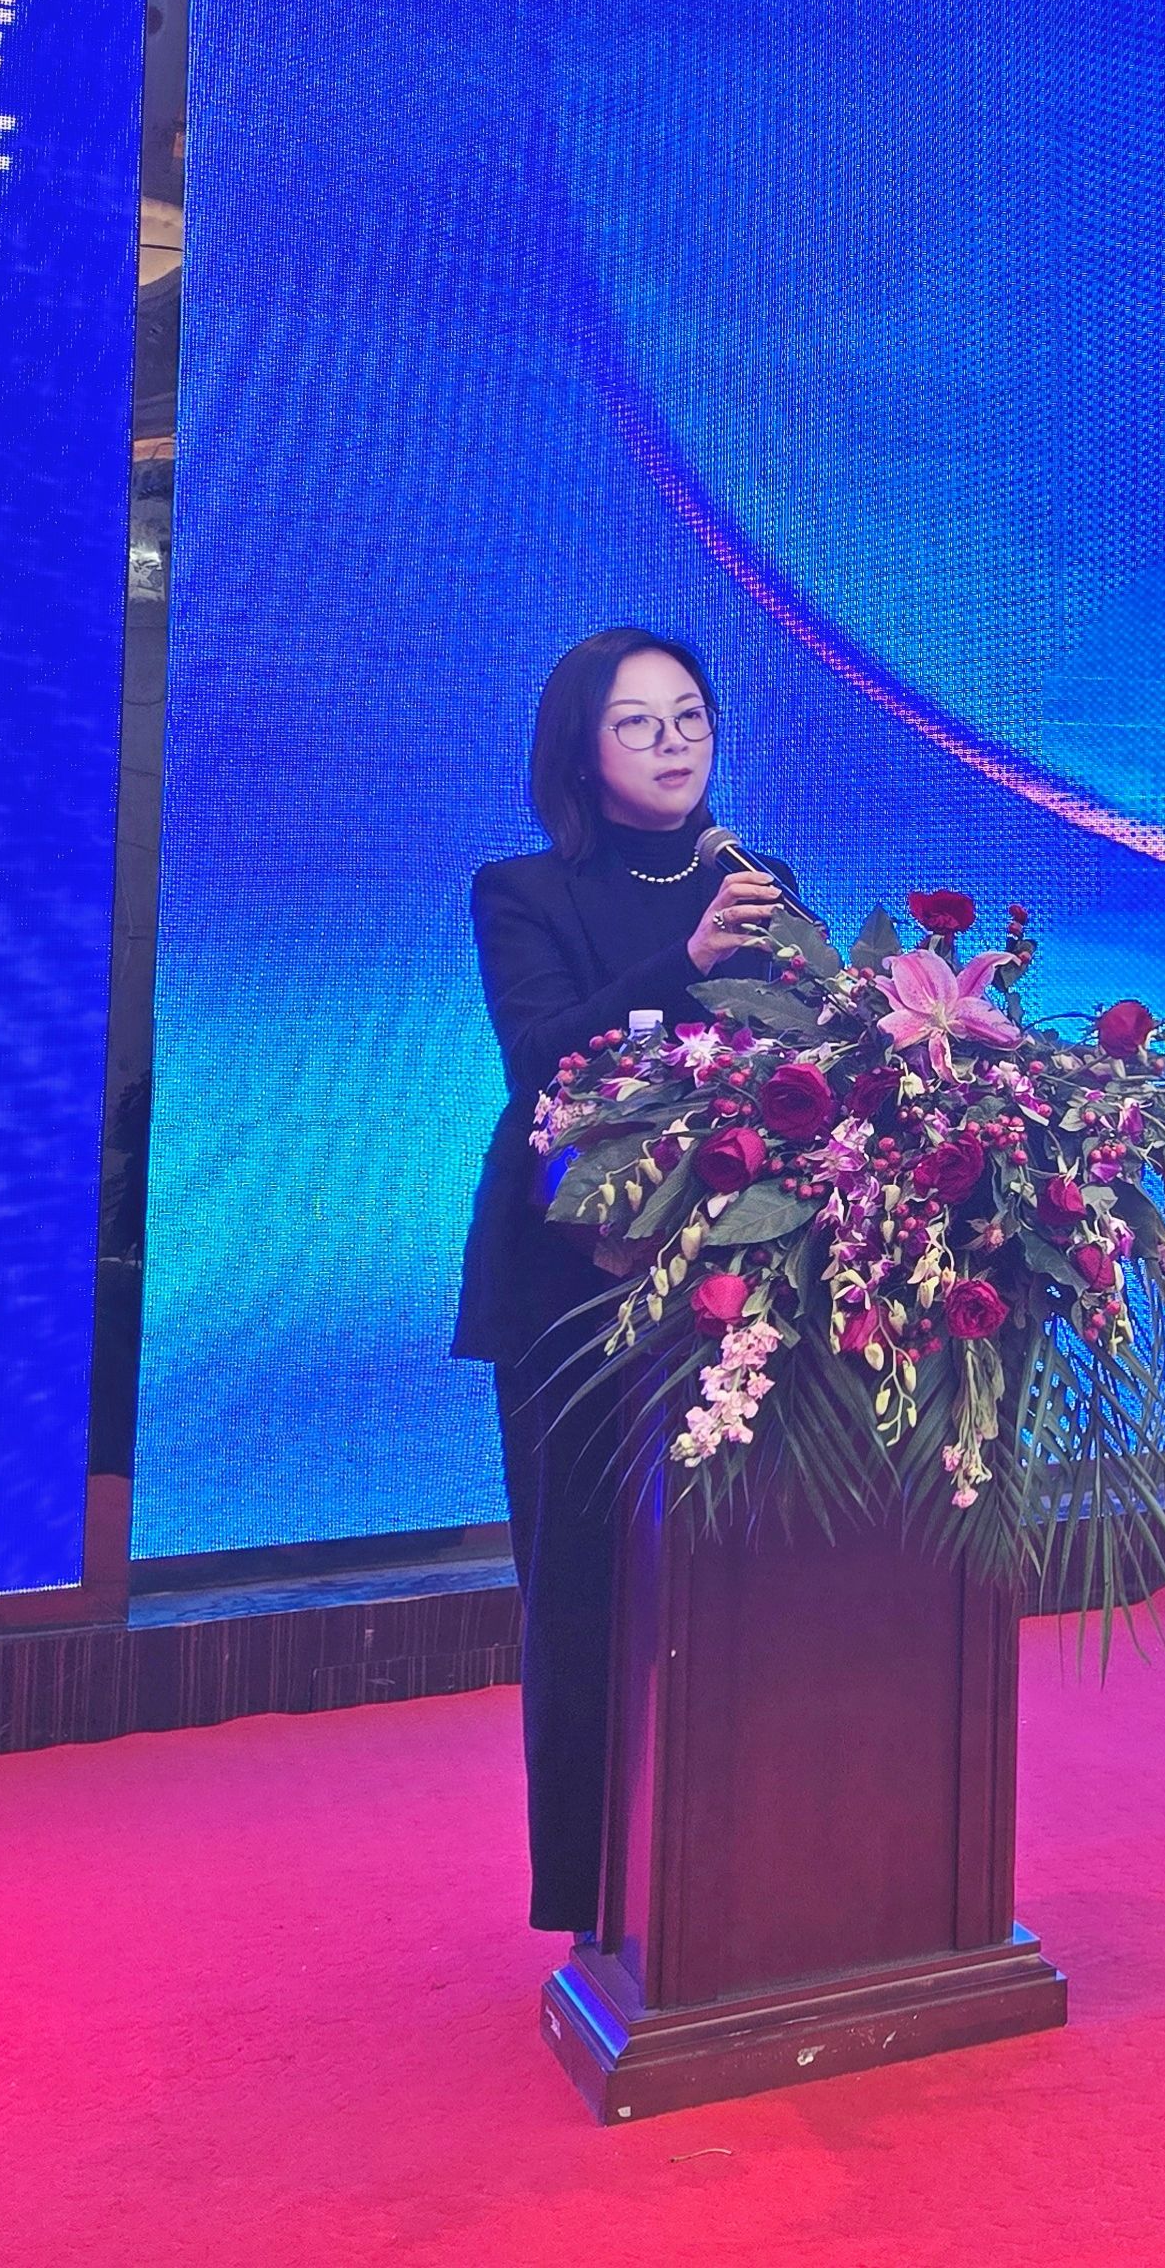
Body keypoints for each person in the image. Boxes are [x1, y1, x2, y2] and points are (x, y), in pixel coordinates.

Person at [459, 627, 798, 1934]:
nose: (673, 743)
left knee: (741, 1582)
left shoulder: (758, 884)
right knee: (589, 1584)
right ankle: (598, 1891)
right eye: (639, 723)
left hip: (744, 1276)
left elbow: (807, 1054)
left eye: (690, 716)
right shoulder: (523, 891)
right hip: (573, 1288)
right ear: (582, 752)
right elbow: (541, 1059)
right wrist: (688, 963)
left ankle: (746, 1867)